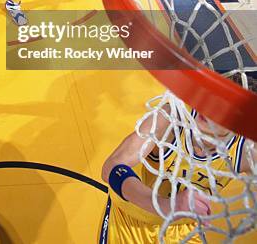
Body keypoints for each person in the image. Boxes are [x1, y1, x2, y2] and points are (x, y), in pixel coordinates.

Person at [100, 76, 257, 243]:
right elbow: (112, 166)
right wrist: (168, 206)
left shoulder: (246, 151)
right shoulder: (170, 117)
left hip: (183, 231)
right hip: (133, 222)